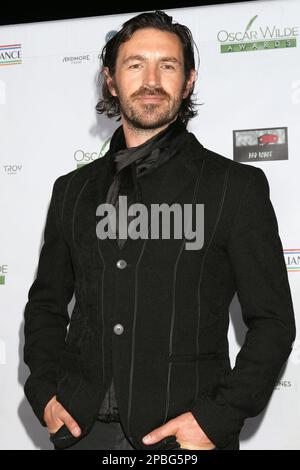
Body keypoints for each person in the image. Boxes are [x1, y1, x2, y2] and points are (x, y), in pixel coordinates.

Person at [23, 10, 296, 451]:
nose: (151, 80)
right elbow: (47, 305)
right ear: (111, 80)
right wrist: (45, 393)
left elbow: (274, 323)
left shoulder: (234, 187)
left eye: (167, 65)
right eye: (135, 64)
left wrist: (216, 419)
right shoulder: (72, 190)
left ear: (188, 81)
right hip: (81, 431)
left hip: (181, 437)